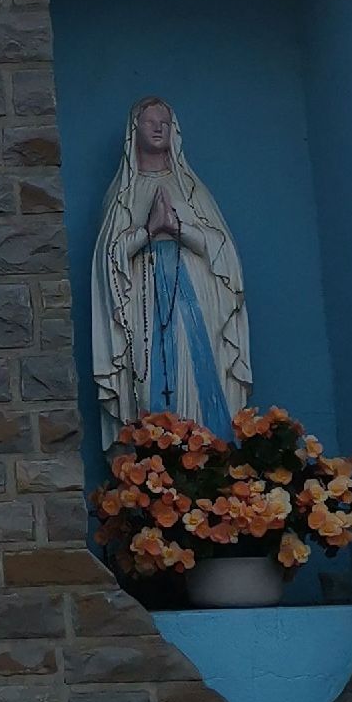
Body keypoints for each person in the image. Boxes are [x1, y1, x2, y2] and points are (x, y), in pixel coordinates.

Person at [90, 95, 250, 442]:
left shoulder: (191, 190)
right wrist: (147, 232)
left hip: (194, 301)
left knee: (198, 374)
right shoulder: (123, 194)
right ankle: (152, 464)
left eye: (164, 122)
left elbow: (223, 250)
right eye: (150, 122)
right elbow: (108, 257)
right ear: (135, 130)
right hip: (143, 305)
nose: (158, 128)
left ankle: (209, 458)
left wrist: (179, 229)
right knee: (147, 380)